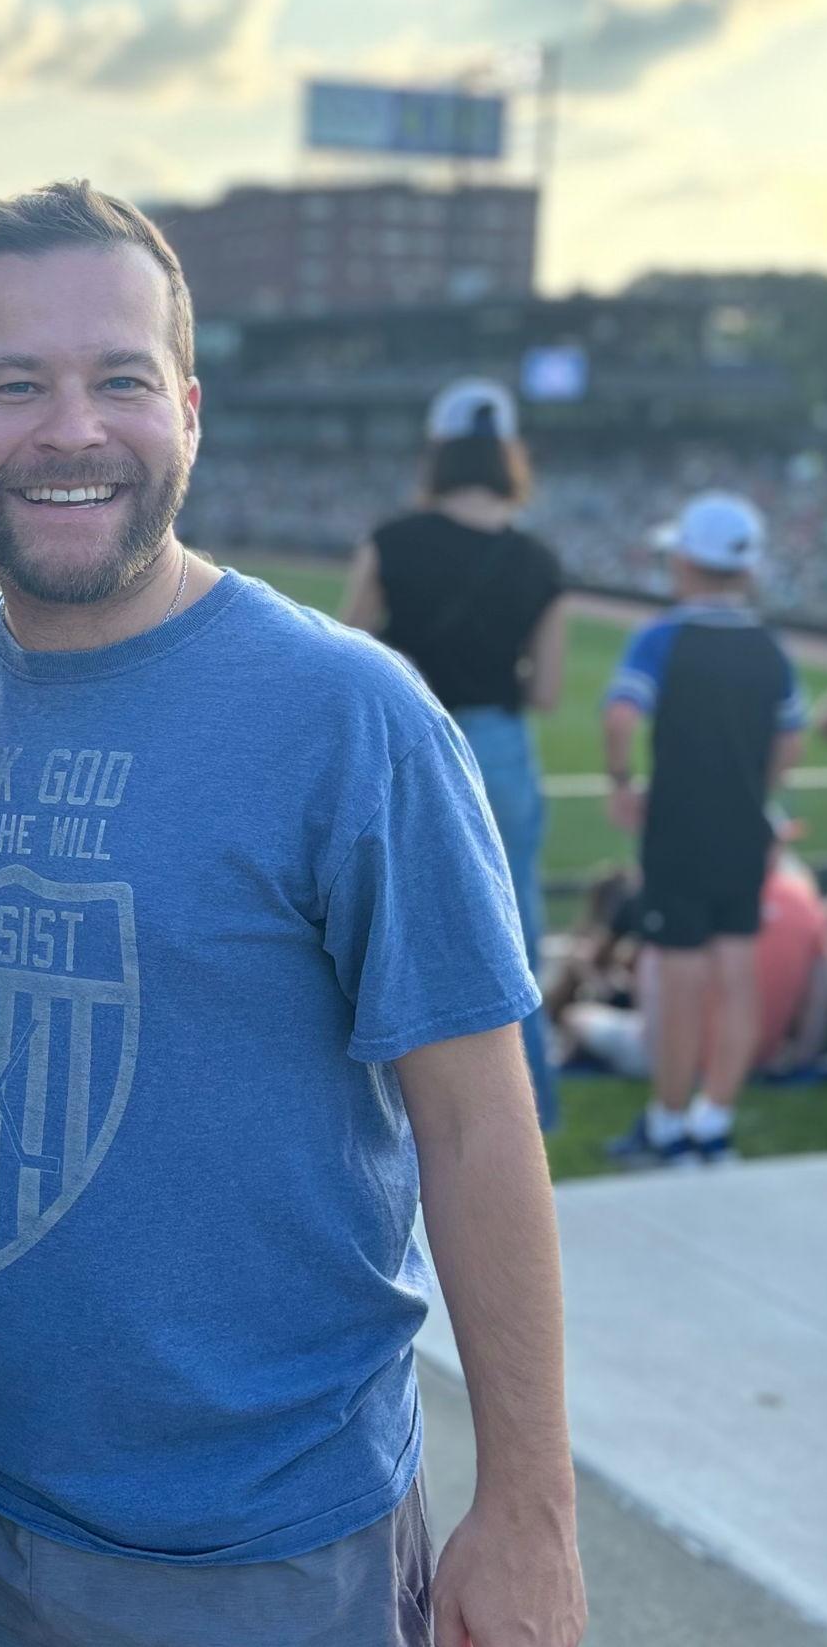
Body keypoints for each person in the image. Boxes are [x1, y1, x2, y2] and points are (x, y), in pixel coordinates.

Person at [0, 183, 584, 1647]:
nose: (74, 428)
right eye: (19, 384)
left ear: (188, 411)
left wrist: (530, 1507)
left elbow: (478, 1124)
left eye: (121, 378)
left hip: (269, 1544)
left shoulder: (350, 714)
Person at [343, 378, 567, 1128]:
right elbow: (547, 690)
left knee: (393, 927)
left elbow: (346, 656)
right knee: (517, 931)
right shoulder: (539, 560)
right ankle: (526, 1109)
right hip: (499, 745)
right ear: (508, 456)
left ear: (438, 453)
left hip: (406, 742)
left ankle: (401, 1107)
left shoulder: (392, 539)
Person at [601, 493, 810, 1165]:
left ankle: (667, 1127)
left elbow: (622, 717)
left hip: (679, 831)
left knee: (681, 979)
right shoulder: (769, 647)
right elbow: (791, 736)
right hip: (744, 831)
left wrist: (623, 783)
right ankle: (713, 1120)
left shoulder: (663, 636)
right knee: (738, 971)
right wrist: (758, 792)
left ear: (686, 560)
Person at [553, 857, 827, 1084]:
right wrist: (801, 1061)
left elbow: (653, 1015)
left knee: (577, 1017)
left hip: (686, 1053)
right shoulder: (803, 904)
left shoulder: (691, 898)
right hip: (763, 1053)